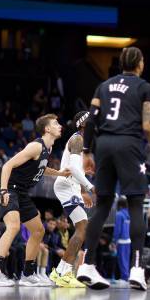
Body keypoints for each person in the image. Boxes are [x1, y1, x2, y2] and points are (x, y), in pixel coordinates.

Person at [80, 46, 150, 291]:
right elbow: (148, 126)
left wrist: (87, 151)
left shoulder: (103, 85)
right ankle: (137, 269)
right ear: (140, 64)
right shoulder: (145, 87)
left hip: (104, 145)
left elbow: (91, 119)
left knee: (102, 205)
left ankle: (87, 263)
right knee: (135, 205)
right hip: (129, 145)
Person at [0, 114, 70, 287]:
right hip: (9, 189)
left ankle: (28, 274)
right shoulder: (35, 146)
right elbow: (7, 165)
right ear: (47, 129)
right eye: (56, 123)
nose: (60, 125)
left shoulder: (48, 149)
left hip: (22, 193)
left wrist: (59, 173)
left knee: (39, 231)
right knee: (14, 226)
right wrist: (2, 190)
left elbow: (41, 168)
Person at [50, 111, 95, 288]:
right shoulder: (77, 139)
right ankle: (64, 272)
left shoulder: (81, 141)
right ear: (84, 124)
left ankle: (61, 271)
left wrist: (83, 189)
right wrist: (90, 187)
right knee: (82, 227)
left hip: (72, 186)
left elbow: (78, 170)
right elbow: (73, 169)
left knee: (83, 227)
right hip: (66, 185)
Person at [113, 197, 131, 282]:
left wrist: (114, 240)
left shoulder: (119, 214)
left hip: (121, 240)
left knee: (122, 260)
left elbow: (118, 229)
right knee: (126, 260)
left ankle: (124, 278)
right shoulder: (129, 214)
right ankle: (125, 276)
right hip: (128, 240)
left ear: (119, 205)